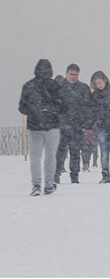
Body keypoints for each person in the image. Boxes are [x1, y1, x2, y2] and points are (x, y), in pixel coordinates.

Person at [19, 59, 65, 196]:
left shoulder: (28, 86)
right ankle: (49, 184)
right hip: (52, 126)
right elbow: (63, 106)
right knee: (51, 157)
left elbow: (22, 107)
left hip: (34, 127)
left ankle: (36, 184)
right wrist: (51, 112)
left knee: (35, 157)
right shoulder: (55, 86)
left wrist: (34, 112)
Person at [55, 63, 92, 184]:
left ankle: (74, 176)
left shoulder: (83, 88)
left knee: (75, 152)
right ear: (67, 74)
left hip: (77, 125)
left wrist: (87, 124)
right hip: (61, 125)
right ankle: (56, 174)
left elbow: (88, 107)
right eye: (72, 74)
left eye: (76, 75)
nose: (74, 77)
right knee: (60, 151)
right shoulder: (58, 88)